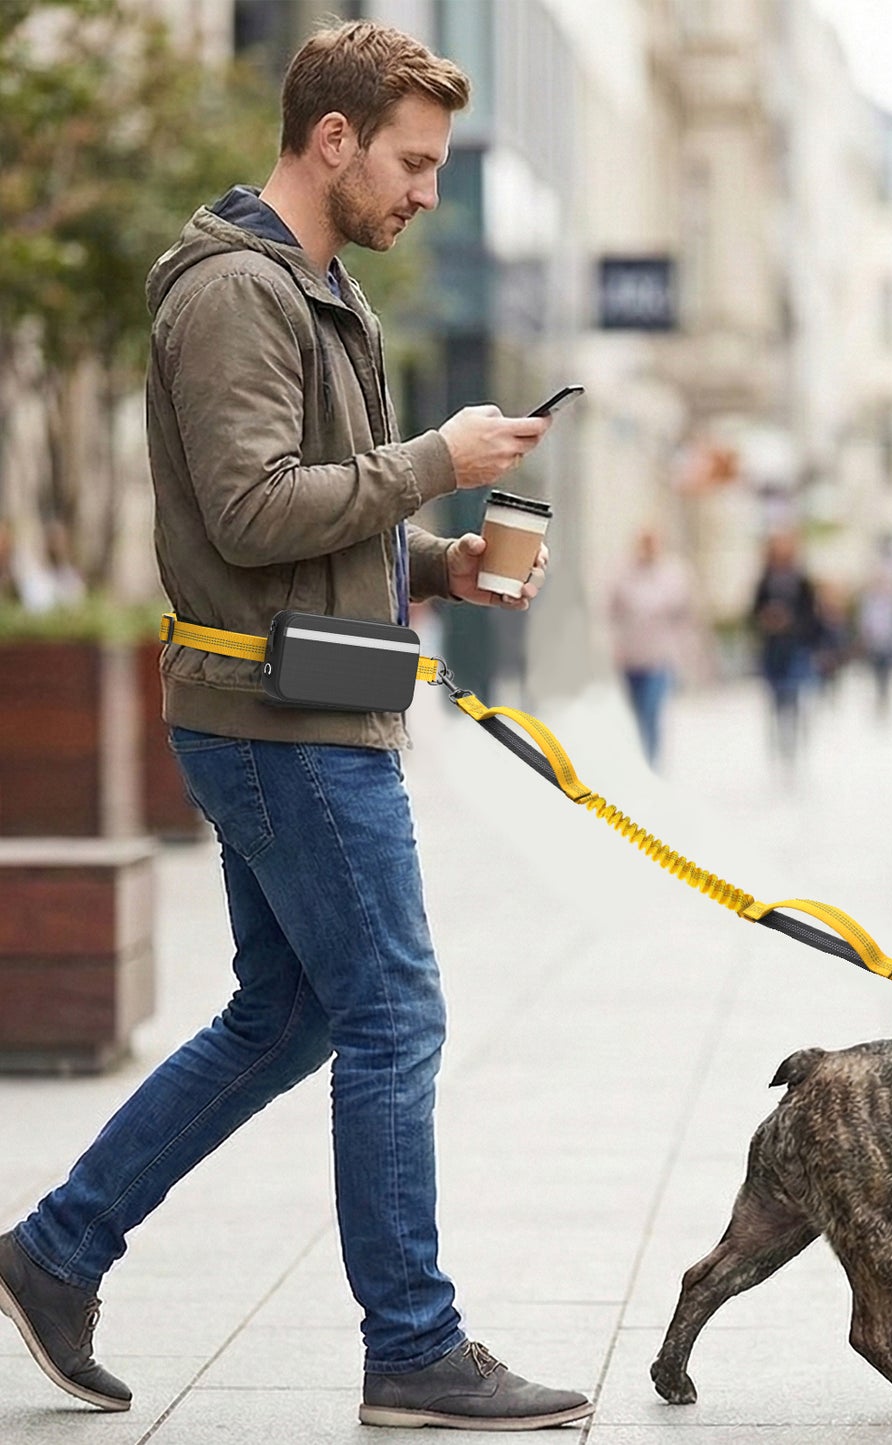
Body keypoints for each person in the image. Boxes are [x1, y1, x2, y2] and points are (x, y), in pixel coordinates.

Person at [0, 22, 592, 1434]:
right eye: (412, 162)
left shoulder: (322, 291)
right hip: (281, 722)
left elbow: (321, 514)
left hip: (305, 699)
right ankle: (414, 1347)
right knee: (393, 1010)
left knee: (290, 1014)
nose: (428, 192)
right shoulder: (233, 294)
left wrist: (444, 562)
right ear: (333, 140)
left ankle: (56, 1253)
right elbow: (253, 509)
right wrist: (434, 460)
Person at [607, 526, 695, 768]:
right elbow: (612, 612)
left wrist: (687, 652)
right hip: (631, 656)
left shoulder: (673, 574)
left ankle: (651, 762)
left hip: (660, 657)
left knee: (651, 710)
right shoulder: (624, 574)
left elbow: (683, 615)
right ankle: (643, 757)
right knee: (638, 712)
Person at [749, 531, 819, 767]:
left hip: (795, 648)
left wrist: (791, 622)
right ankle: (779, 744)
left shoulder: (801, 582)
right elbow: (753, 614)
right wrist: (767, 620)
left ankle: (794, 745)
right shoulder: (764, 581)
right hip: (772, 650)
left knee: (794, 697)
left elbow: (811, 617)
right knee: (776, 701)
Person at [857, 537, 892, 720]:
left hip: (890, 642)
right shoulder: (869, 600)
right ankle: (881, 696)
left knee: (887, 671)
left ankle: (885, 695)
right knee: (877, 672)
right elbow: (864, 620)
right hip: (875, 642)